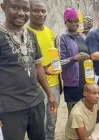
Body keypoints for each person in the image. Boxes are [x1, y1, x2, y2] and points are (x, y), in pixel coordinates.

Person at [0, 0, 56, 140]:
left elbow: (38, 67)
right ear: (3, 7)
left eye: (25, 9)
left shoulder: (31, 35)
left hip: (36, 102)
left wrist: (49, 94)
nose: (21, 13)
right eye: (15, 7)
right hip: (10, 107)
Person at [27, 1, 61, 139]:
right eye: (36, 11)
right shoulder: (26, 33)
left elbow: (54, 56)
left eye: (43, 11)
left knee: (52, 120)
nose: (40, 14)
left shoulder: (50, 32)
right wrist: (43, 70)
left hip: (54, 84)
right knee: (39, 122)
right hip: (36, 86)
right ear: (28, 12)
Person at [59, 8, 89, 115]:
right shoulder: (62, 38)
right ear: (65, 22)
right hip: (72, 83)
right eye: (70, 21)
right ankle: (72, 132)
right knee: (74, 114)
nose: (73, 23)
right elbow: (59, 63)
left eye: (76, 21)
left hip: (86, 81)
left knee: (85, 112)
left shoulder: (83, 37)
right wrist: (74, 58)